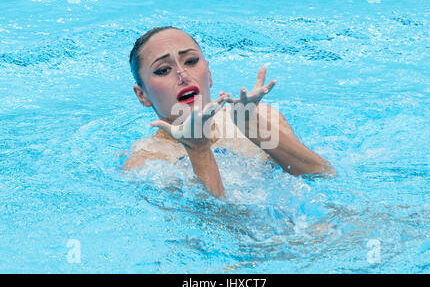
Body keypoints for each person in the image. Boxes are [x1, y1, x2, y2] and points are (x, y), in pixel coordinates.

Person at [124, 26, 336, 197]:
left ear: (209, 75)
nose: (182, 74)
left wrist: (251, 126)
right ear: (141, 95)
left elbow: (324, 177)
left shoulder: (261, 116)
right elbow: (217, 232)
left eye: (191, 61)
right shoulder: (146, 162)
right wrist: (198, 149)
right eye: (163, 70)